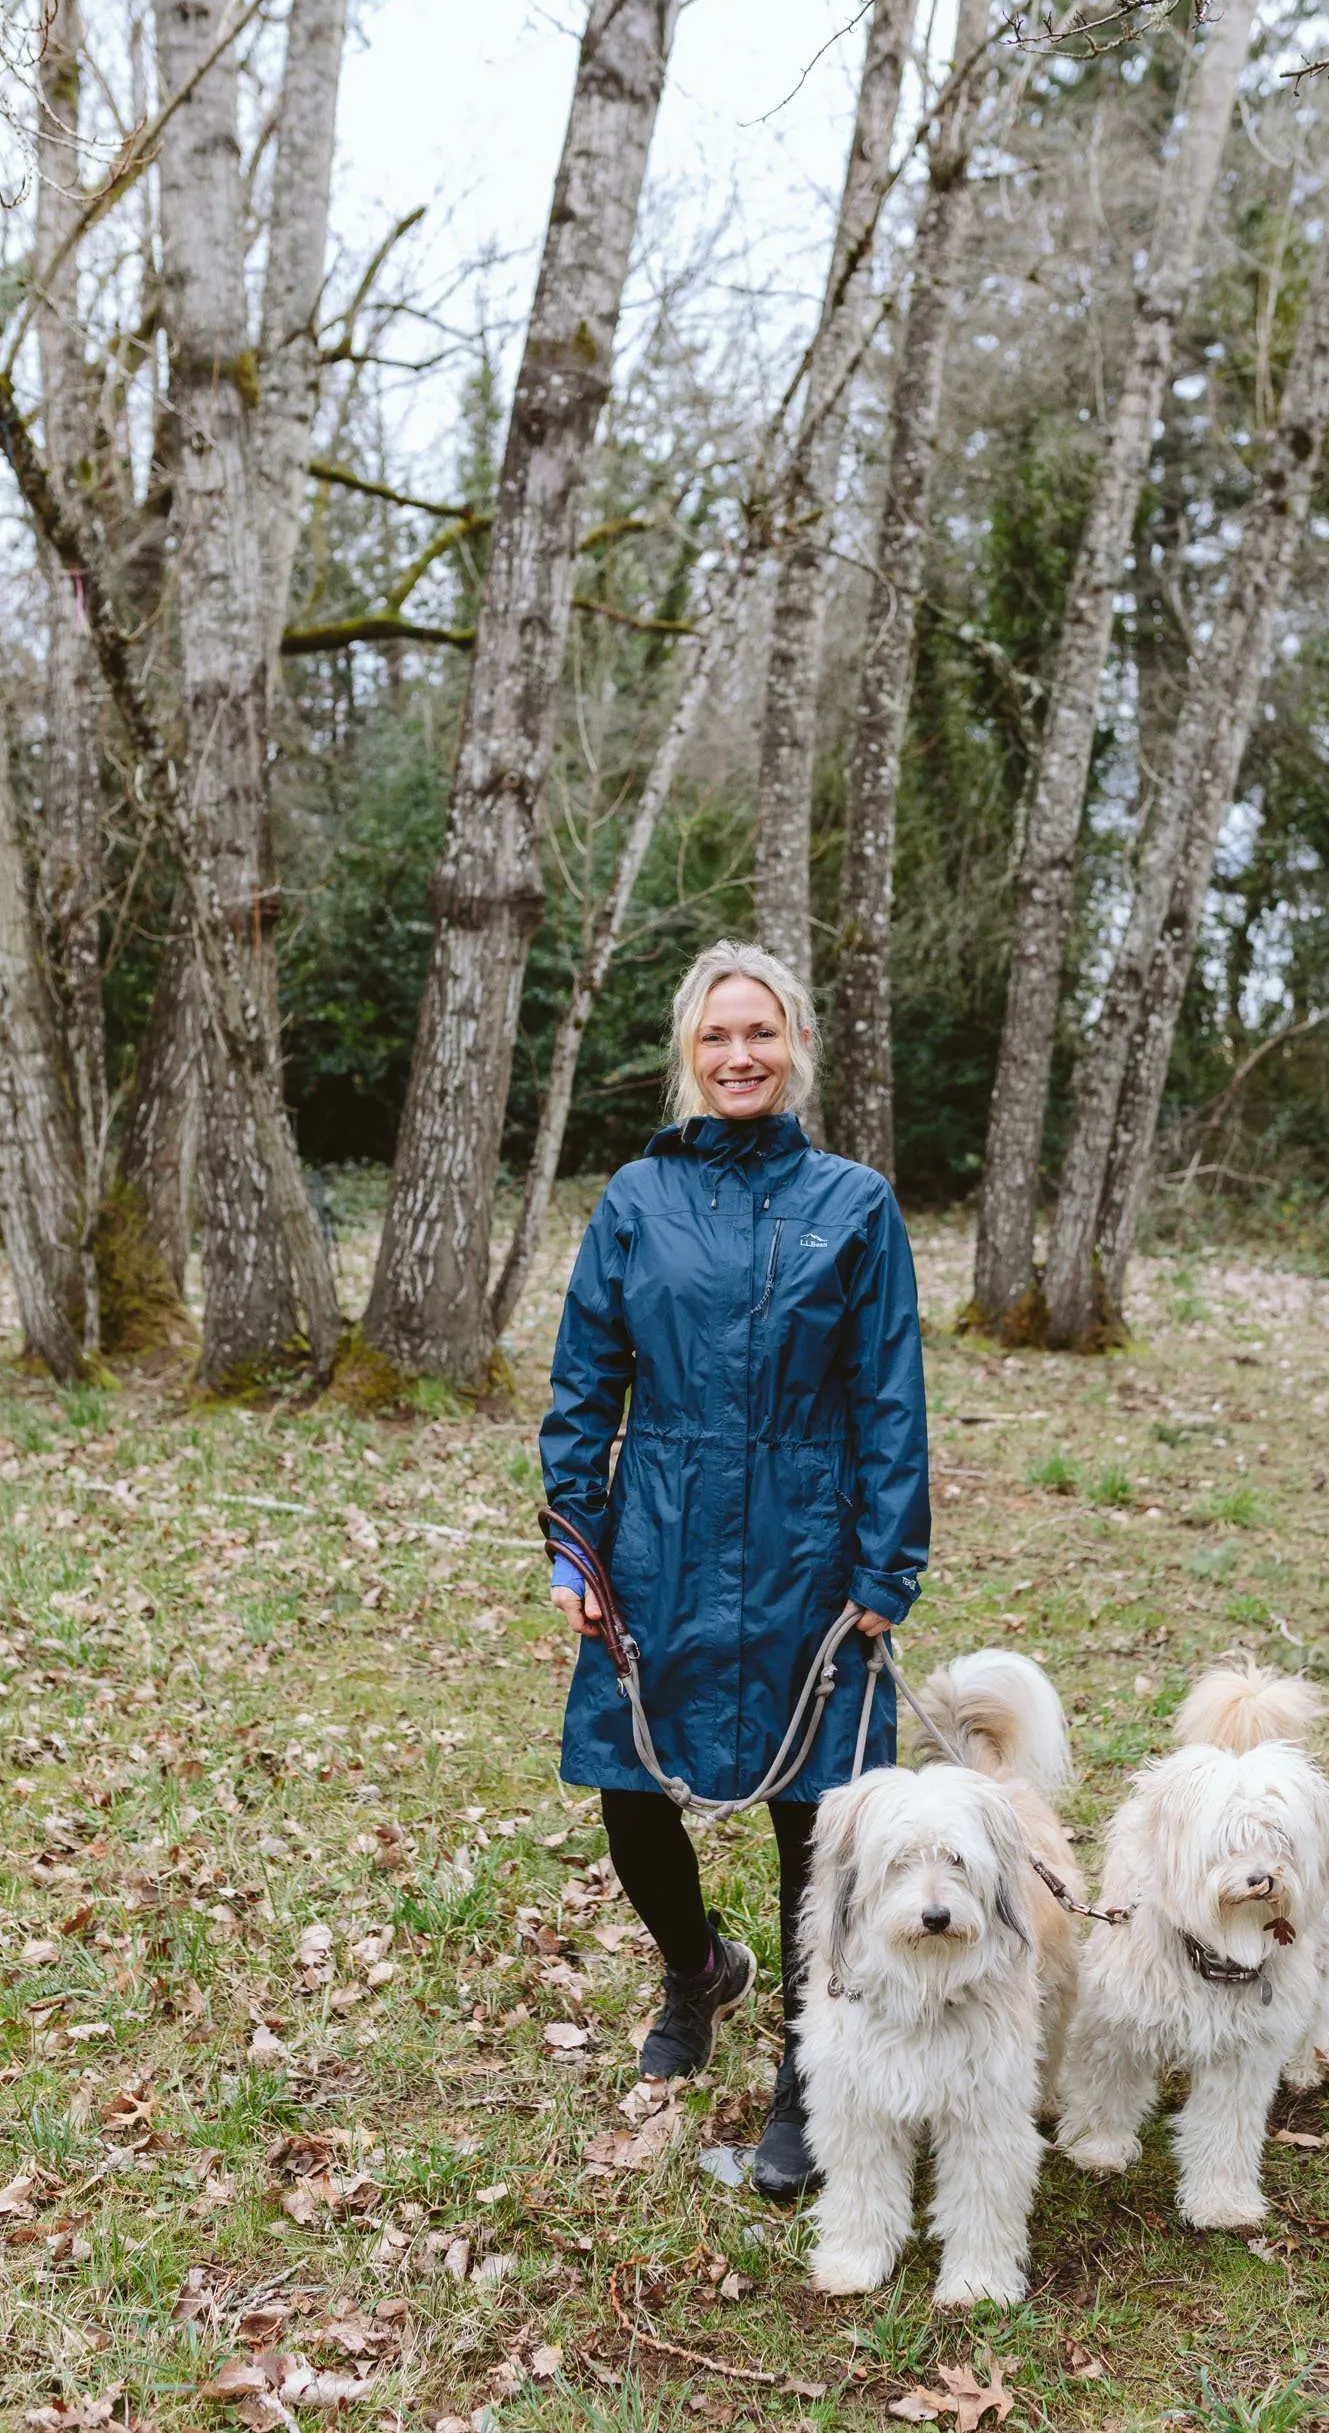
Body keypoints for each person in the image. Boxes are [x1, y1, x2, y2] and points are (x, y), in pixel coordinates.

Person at [539, 938, 931, 2200]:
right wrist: (574, 1544)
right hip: (654, 1532)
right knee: (628, 1783)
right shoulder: (633, 1201)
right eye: (716, 1037)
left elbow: (889, 1396)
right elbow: (582, 1386)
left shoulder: (854, 1204)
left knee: (813, 1823)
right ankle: (694, 1966)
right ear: (686, 1055)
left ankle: (804, 2082)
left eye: (759, 1033)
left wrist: (886, 1564)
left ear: (795, 1045)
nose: (738, 1055)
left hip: (808, 1550)